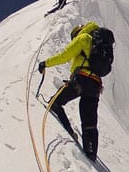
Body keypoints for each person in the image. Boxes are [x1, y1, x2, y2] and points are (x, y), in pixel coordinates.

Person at [38, 21, 103, 161]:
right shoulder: (98, 44)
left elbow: (65, 55)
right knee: (89, 122)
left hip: (81, 80)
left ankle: (68, 130)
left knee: (55, 103)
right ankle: (91, 153)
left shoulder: (83, 38)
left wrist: (45, 63)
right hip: (96, 86)